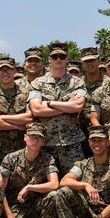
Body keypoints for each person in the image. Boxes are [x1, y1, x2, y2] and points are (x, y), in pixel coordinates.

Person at [28, 42, 88, 173]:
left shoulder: (77, 82)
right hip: (45, 143)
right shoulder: (38, 83)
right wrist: (67, 105)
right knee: (46, 184)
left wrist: (49, 103)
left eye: (62, 56)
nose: (58, 59)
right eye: (55, 57)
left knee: (75, 183)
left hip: (71, 143)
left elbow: (78, 106)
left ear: (67, 58)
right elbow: (36, 110)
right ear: (49, 59)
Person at [0, 122, 59, 218]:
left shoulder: (47, 159)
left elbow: (54, 184)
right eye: (32, 137)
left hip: (35, 205)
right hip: (14, 207)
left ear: (43, 141)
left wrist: (30, 187)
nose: (35, 141)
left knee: (54, 195)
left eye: (39, 138)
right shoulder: (11, 159)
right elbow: (0, 190)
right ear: (25, 137)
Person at [0, 57, 32, 164]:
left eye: (8, 70)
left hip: (21, 148)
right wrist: (17, 126)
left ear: (14, 71)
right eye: (2, 70)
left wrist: (2, 117)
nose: (5, 73)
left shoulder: (26, 93)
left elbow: (29, 117)